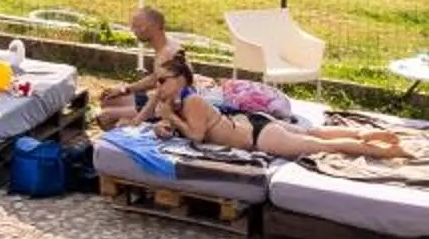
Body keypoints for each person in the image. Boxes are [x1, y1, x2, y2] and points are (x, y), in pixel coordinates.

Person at [157, 86, 410, 162]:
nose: (159, 89)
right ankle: (366, 133)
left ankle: (385, 151)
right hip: (256, 123)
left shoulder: (192, 103)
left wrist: (171, 117)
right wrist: (165, 125)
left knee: (320, 145)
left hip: (258, 137)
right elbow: (174, 130)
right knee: (314, 132)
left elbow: (197, 136)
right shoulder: (183, 104)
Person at [97, 7, 192, 128]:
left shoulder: (167, 54)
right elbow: (156, 78)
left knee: (105, 116)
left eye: (137, 25)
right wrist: (125, 89)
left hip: (165, 110)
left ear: (152, 27)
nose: (132, 29)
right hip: (157, 101)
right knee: (108, 100)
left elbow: (165, 101)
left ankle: (124, 140)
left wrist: (136, 121)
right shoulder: (165, 45)